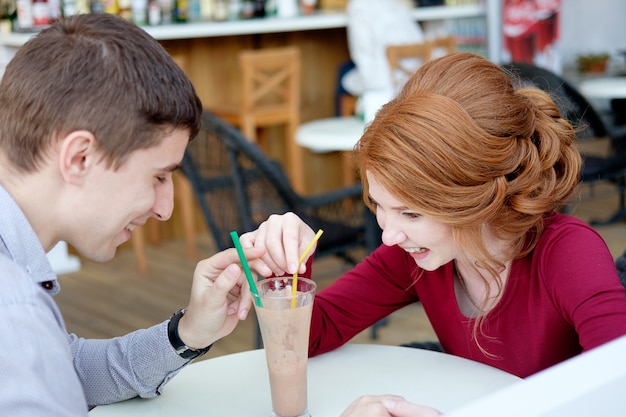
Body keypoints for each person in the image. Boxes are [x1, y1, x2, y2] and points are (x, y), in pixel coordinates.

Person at [241, 52, 626, 416]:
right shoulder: (412, 255)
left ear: (475, 198)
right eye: (378, 206)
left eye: (411, 213)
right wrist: (286, 268)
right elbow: (309, 338)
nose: (389, 236)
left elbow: (616, 394)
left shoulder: (567, 254)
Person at [0, 14, 262, 415]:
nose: (165, 208)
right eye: (158, 176)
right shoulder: (13, 312)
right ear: (79, 158)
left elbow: (63, 370)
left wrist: (186, 333)